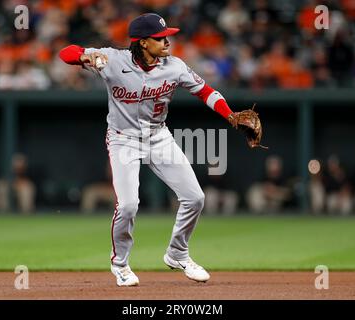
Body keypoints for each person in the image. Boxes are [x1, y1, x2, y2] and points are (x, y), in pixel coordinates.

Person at [59, 13, 247, 286]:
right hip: (123, 139)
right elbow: (66, 52)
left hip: (159, 137)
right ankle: (120, 264)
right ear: (144, 43)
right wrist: (85, 57)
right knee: (128, 205)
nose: (167, 41)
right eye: (161, 38)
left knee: (195, 197)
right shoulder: (112, 59)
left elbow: (205, 91)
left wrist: (229, 115)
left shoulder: (175, 66)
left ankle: (177, 252)